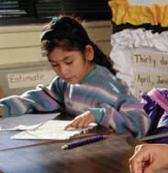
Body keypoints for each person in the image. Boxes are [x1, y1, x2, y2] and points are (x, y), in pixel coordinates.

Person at [0, 16, 149, 138]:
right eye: (55, 65)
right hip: (81, 152)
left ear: (88, 53)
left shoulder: (113, 86)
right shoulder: (64, 83)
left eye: (69, 62)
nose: (63, 71)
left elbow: (141, 124)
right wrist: (5, 107)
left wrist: (99, 115)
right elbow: (37, 99)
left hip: (114, 161)